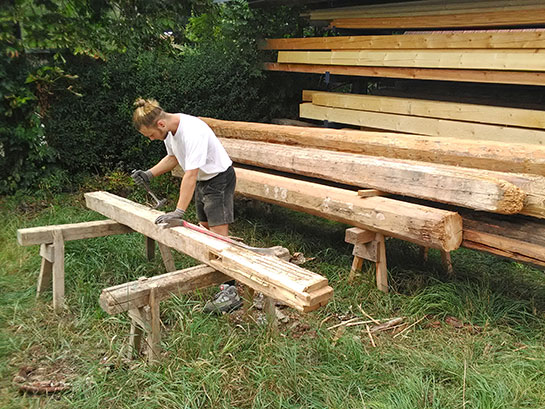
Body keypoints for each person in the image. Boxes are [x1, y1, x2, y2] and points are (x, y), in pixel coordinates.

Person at [131, 98, 241, 313]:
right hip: (204, 179)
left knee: (219, 237)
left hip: (219, 179)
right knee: (205, 232)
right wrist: (149, 174)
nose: (152, 139)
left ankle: (231, 292)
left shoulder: (191, 131)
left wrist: (179, 212)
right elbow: (173, 158)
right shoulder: (170, 131)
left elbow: (189, 174)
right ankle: (216, 275)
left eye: (151, 134)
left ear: (160, 124)